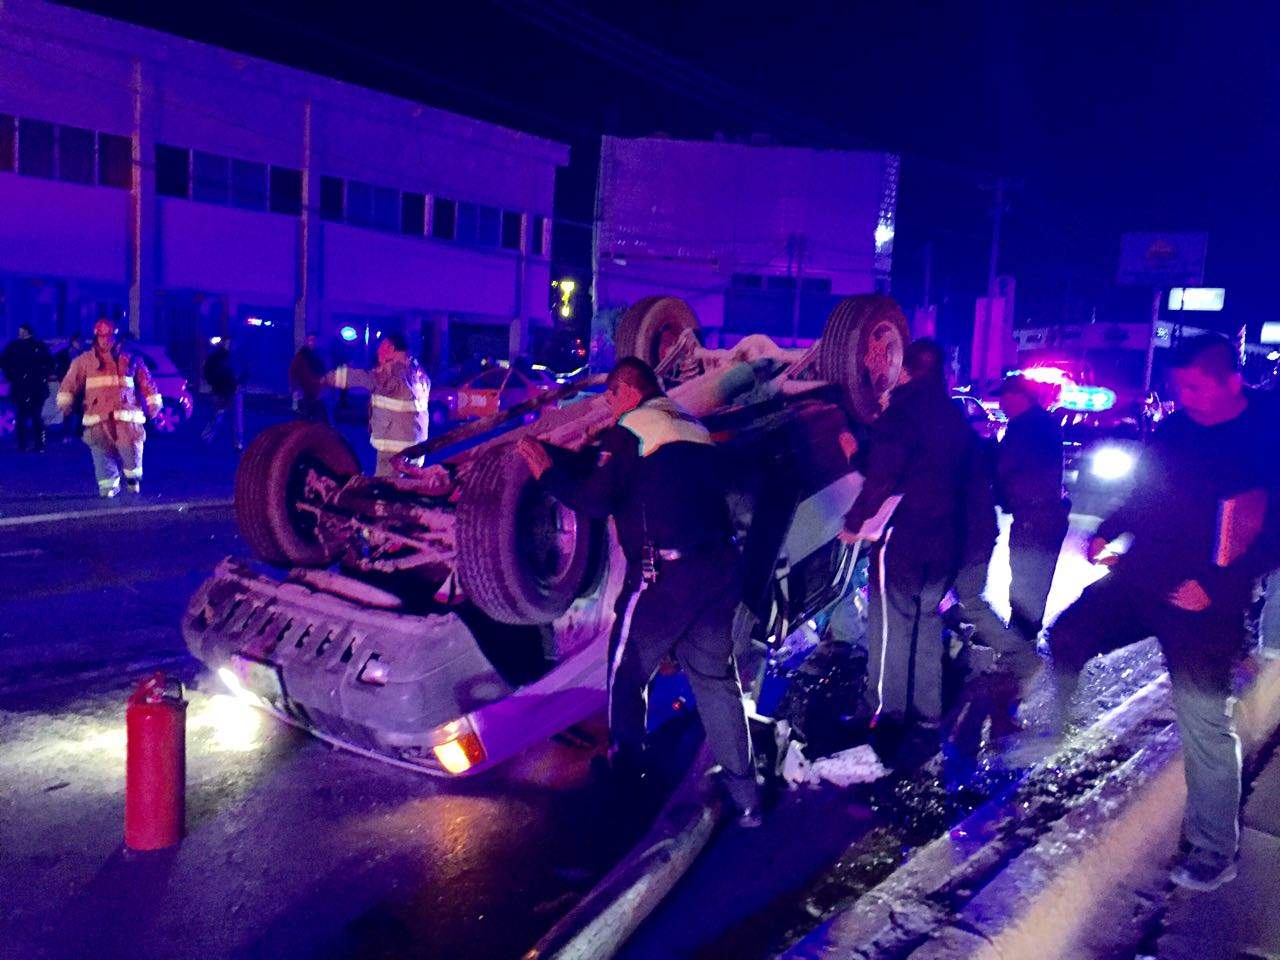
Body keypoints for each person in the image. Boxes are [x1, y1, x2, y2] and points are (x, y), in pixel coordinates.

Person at [1050, 334, 1280, 892]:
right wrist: (1109, 528)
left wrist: (1216, 583)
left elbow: (1270, 532)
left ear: (1230, 380)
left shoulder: (1264, 435)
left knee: (1203, 718)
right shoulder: (1175, 430)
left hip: (1206, 601)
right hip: (1143, 578)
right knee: (1067, 634)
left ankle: (1213, 848)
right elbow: (1145, 496)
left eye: (1197, 387)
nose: (1187, 397)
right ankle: (1057, 733)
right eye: (1181, 387)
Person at [515, 358, 761, 825]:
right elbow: (648, 481)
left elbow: (595, 499)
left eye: (610, 399)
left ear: (625, 391)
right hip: (718, 569)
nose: (610, 409)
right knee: (715, 680)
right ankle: (747, 799)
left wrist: (546, 472)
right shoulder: (692, 426)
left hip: (663, 579)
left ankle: (626, 782)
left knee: (626, 672)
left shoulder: (632, 429)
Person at [838, 338, 973, 766]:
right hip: (944, 537)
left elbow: (884, 474)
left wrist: (854, 521)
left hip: (903, 535)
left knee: (890, 626)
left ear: (905, 370)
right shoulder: (954, 415)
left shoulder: (902, 413)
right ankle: (927, 714)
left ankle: (883, 713)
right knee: (926, 623)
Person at [995, 374, 1069, 643]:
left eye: (1004, 398)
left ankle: (1021, 641)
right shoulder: (1040, 423)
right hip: (1043, 515)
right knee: (1032, 580)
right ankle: (1023, 635)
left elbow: (1006, 467)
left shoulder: (1026, 427)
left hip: (1035, 516)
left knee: (1027, 579)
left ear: (1020, 397)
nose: (1001, 405)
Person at [56, 318, 161, 497]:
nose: (105, 340)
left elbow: (147, 382)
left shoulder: (131, 359)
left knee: (131, 450)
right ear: (96, 337)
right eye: (102, 336)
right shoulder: (85, 361)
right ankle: (108, 486)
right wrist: (65, 402)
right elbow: (70, 382)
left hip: (126, 417)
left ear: (116, 337)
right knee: (101, 451)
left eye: (109, 336)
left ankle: (133, 480)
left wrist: (153, 403)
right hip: (98, 416)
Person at [327, 332, 430, 476]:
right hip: (417, 447)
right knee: (409, 486)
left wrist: (328, 378)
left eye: (381, 347)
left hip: (395, 451)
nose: (378, 351)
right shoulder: (418, 372)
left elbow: (365, 378)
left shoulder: (393, 370)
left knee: (385, 487)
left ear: (390, 347)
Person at [1, 324, 54, 452]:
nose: (20, 333)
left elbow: (49, 363)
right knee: (29, 417)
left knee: (28, 417)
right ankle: (33, 444)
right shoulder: (18, 346)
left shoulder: (22, 346)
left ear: (26, 332)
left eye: (22, 331)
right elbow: (4, 362)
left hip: (28, 387)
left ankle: (30, 444)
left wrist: (12, 376)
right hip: (28, 387)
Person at [202, 337, 244, 449]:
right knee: (223, 416)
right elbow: (207, 373)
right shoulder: (218, 358)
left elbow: (245, 369)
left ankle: (237, 442)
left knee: (227, 417)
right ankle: (236, 442)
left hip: (228, 390)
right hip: (223, 390)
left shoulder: (223, 358)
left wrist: (240, 382)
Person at [289, 334, 329, 423]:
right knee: (305, 414)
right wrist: (295, 388)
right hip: (305, 389)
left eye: (314, 340)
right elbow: (294, 372)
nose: (313, 343)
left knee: (318, 414)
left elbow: (324, 371)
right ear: (306, 342)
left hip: (317, 389)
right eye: (310, 340)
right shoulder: (301, 356)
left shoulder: (320, 356)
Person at [54, 334, 85, 442]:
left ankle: (78, 432)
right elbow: (58, 365)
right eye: (78, 341)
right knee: (68, 410)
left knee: (81, 409)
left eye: (81, 341)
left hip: (80, 385)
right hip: (69, 386)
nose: (80, 344)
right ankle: (67, 434)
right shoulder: (65, 354)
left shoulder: (83, 354)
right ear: (73, 342)